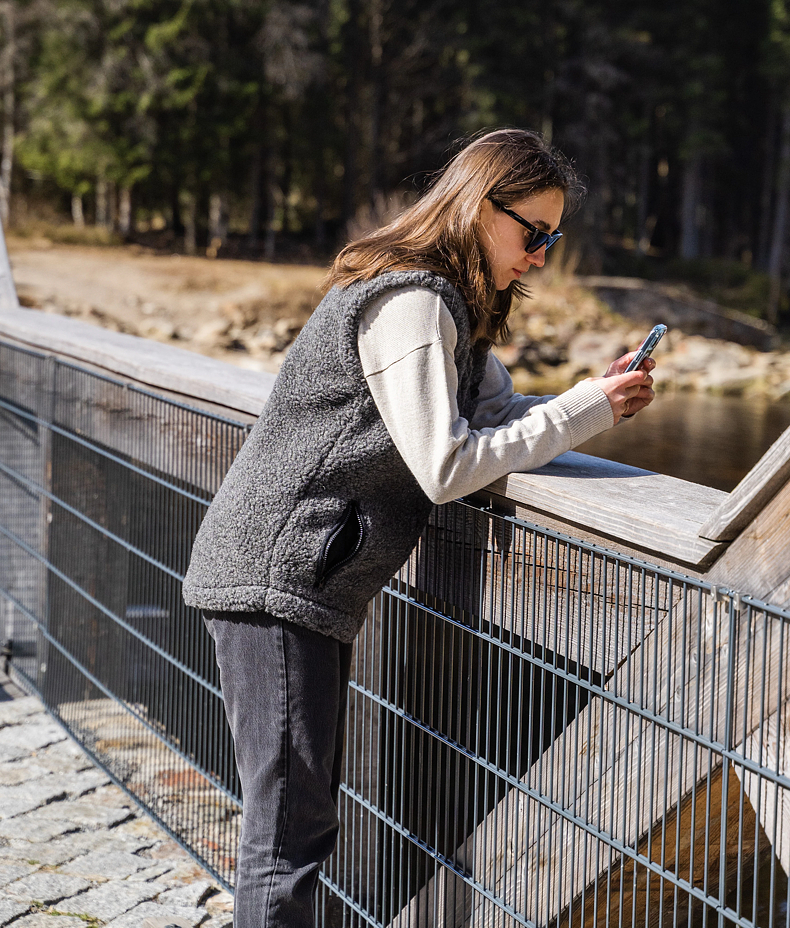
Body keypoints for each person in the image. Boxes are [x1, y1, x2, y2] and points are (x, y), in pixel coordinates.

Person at [182, 127, 655, 928]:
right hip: (277, 578)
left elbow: (496, 415)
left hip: (303, 577)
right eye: (532, 233)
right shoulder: (412, 300)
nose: (541, 255)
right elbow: (446, 465)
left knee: (299, 822)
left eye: (553, 237)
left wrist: (590, 401)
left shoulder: (455, 306)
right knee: (287, 839)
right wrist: (583, 412)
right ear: (479, 206)